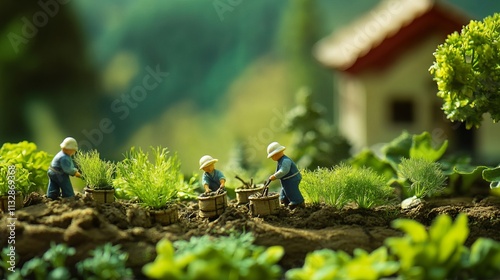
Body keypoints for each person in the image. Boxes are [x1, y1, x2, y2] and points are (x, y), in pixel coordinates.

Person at [266, 142, 304, 209]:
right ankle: (284, 200)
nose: (272, 157)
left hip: (292, 179)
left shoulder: (285, 160)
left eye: (272, 156)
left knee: (292, 191)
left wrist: (275, 176)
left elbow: (283, 171)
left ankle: (297, 202)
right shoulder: (280, 161)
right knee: (284, 190)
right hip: (286, 180)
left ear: (277, 153)